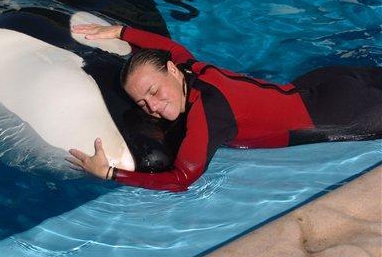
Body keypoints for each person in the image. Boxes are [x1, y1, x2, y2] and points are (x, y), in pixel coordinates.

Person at [66, 24, 382, 192]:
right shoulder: (193, 67)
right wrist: (120, 32)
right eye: (142, 103)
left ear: (173, 72)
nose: (154, 106)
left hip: (343, 116)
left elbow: (180, 180)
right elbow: (170, 48)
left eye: (154, 91)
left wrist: (110, 173)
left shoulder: (209, 112)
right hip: (325, 82)